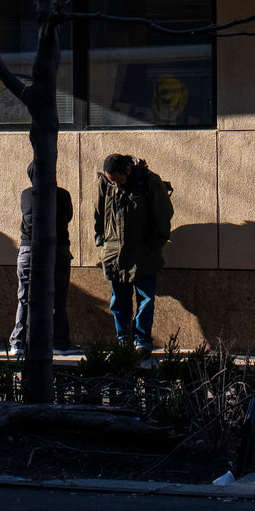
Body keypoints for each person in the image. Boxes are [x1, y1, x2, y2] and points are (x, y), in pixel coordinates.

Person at [92, 152, 173, 366]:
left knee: (145, 300)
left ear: (127, 169)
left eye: (118, 180)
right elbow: (98, 214)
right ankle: (123, 342)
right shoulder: (105, 184)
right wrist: (101, 242)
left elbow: (163, 215)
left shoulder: (148, 182)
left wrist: (152, 245)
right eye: (111, 181)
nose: (115, 185)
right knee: (119, 300)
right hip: (114, 253)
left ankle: (142, 343)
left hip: (143, 254)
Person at [9, 162, 74, 359]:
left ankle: (18, 342)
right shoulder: (63, 195)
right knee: (58, 297)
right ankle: (58, 343)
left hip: (28, 249)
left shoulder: (26, 195)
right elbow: (68, 217)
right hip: (58, 248)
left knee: (24, 297)